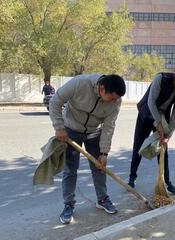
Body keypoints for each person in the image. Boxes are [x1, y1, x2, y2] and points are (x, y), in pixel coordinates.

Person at [49, 73, 126, 224]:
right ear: (102, 88)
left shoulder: (116, 101)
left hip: (94, 132)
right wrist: (59, 128)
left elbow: (109, 126)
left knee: (99, 166)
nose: (114, 102)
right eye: (112, 98)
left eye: (116, 99)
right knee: (70, 170)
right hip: (70, 130)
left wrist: (104, 152)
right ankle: (68, 204)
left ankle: (102, 199)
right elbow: (55, 101)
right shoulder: (79, 84)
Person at [128, 69, 175, 195]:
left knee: (163, 150)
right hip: (147, 112)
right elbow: (151, 102)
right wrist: (158, 124)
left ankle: (166, 181)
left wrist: (168, 135)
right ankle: (132, 178)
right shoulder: (161, 78)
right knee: (138, 146)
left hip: (163, 116)